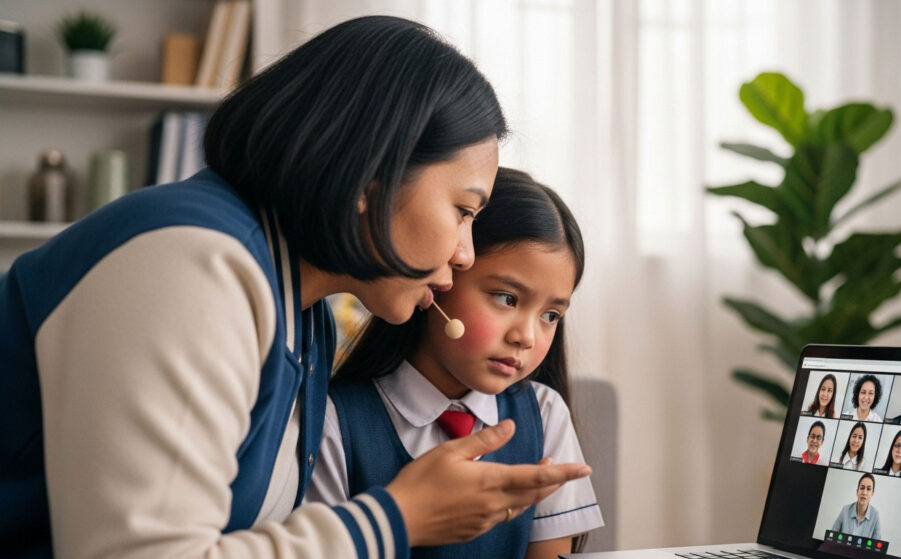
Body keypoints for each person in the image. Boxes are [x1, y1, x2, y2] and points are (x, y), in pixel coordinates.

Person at [0, 16, 590, 558]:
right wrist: (396, 518)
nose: (464, 253)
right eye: (463, 210)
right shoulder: (194, 265)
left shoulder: (306, 317)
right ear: (370, 179)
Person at [308, 168, 602, 559]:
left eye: (550, 315)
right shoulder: (334, 420)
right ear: (441, 276)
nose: (526, 336)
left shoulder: (545, 415)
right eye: (506, 298)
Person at [831, 473, 882, 540]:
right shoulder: (845, 510)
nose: (864, 492)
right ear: (857, 491)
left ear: (872, 493)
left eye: (868, 489)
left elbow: (876, 545)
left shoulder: (875, 515)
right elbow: (832, 535)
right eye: (862, 488)